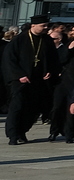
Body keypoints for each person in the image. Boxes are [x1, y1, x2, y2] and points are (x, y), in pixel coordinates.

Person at [6, 14, 62, 146]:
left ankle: (22, 131)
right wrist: (19, 75)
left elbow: (53, 59)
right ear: (33, 26)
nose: (45, 28)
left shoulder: (47, 40)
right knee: (18, 107)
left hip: (39, 81)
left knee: (33, 109)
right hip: (21, 80)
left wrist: (50, 71)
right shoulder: (19, 40)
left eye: (46, 26)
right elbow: (9, 60)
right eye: (43, 26)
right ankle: (13, 135)